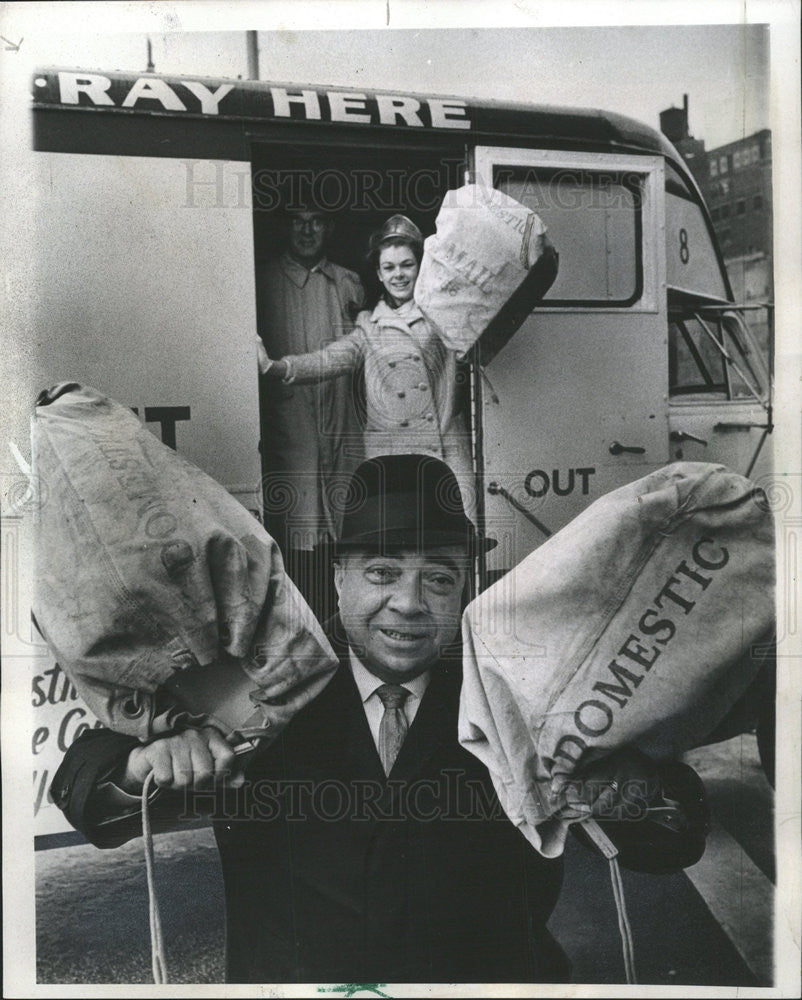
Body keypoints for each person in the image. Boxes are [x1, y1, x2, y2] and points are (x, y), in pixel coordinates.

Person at [50, 454, 706, 984]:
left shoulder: (526, 690)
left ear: (467, 589)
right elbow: (85, 790)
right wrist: (145, 767)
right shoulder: (260, 680)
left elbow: (677, 836)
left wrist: (636, 795)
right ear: (338, 579)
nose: (409, 603)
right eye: (383, 572)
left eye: (439, 578)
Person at [259, 215, 476, 521]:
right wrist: (277, 367)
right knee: (398, 547)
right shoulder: (368, 325)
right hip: (391, 458)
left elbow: (474, 348)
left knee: (456, 543)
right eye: (389, 267)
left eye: (407, 265)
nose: (398, 275)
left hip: (444, 449)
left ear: (421, 267)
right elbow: (328, 359)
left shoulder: (446, 316)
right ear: (378, 273)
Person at [257, 205, 365, 618]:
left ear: (329, 227)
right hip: (290, 430)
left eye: (316, 220)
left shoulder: (347, 282)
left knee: (346, 536)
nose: (306, 230)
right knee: (297, 542)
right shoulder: (263, 280)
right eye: (297, 220)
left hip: (341, 427)